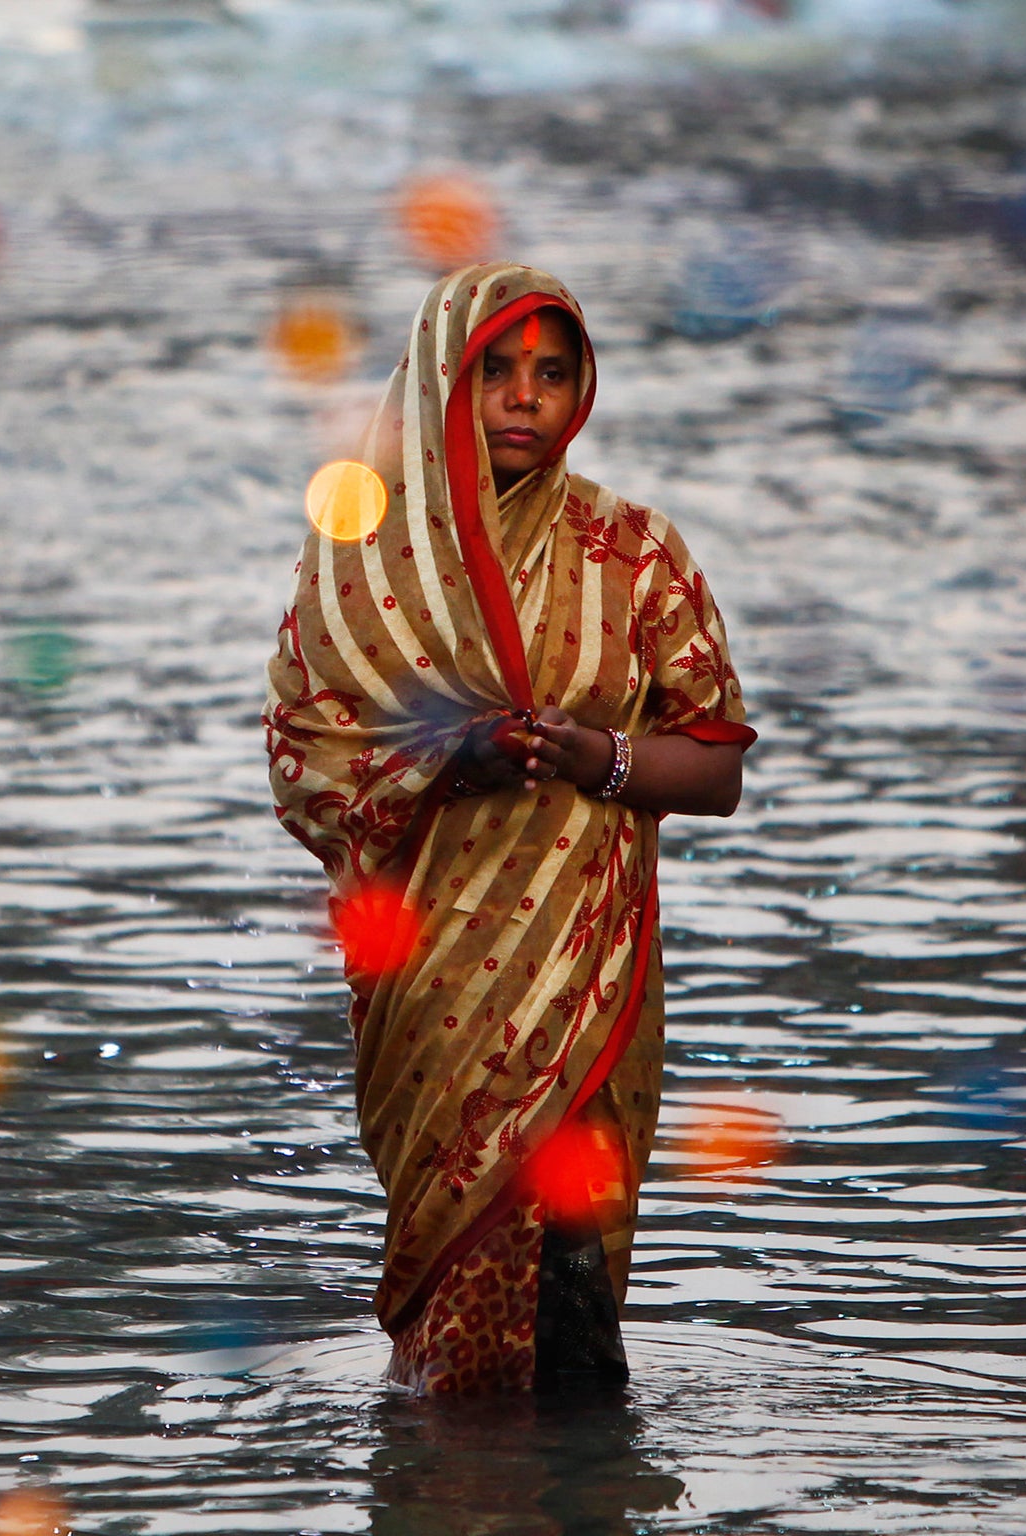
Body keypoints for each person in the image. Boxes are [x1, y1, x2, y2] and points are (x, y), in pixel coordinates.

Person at [264, 262, 755, 1395]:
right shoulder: (361, 562)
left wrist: (603, 760)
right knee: (459, 1324)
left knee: (569, 1321)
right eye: (495, 374)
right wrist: (450, 758)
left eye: (549, 373)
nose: (524, 399)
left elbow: (715, 767)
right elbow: (308, 756)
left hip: (587, 981)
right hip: (434, 995)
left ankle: (562, 1498)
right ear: (441, 382)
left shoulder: (632, 552)